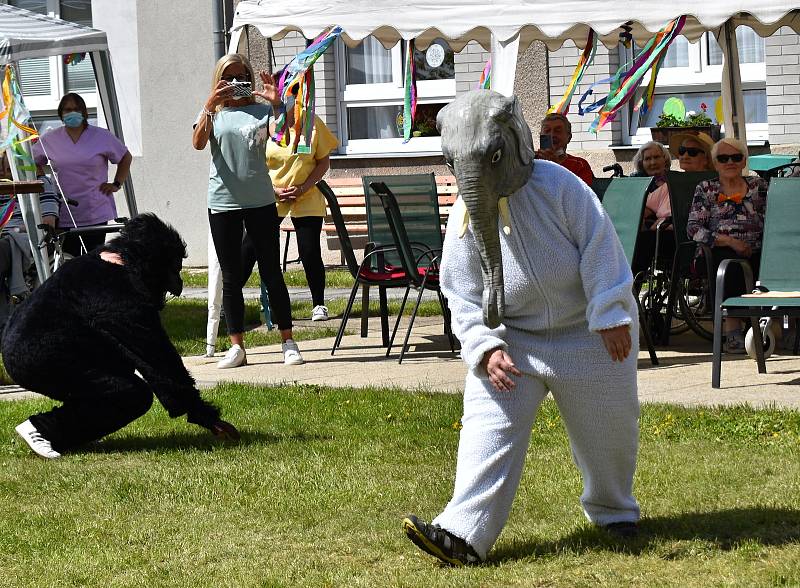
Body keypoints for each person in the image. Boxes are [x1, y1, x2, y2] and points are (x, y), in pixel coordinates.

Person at [403, 90, 639, 566]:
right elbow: (461, 289)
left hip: (589, 334)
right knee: (488, 432)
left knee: (608, 433)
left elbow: (600, 246)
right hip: (512, 340)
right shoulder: (465, 213)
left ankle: (614, 511)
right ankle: (462, 533)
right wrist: (483, 346)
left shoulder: (560, 186)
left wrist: (610, 312)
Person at [193, 53, 303, 369]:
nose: (236, 82)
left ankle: (288, 341)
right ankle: (237, 346)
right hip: (222, 202)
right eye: (228, 77)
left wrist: (278, 106)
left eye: (242, 76)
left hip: (259, 201)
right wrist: (209, 105)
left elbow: (282, 136)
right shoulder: (213, 113)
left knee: (271, 271)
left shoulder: (260, 110)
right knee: (231, 275)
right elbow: (198, 143)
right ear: (218, 81)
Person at [241, 82, 339, 322]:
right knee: (250, 246)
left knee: (309, 250)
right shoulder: (267, 125)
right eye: (285, 98)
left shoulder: (312, 123)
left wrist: (304, 187)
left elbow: (323, 163)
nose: (291, 102)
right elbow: (255, 164)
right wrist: (273, 190)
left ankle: (319, 304)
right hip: (271, 195)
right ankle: (230, 300)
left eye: (295, 97)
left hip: (305, 194)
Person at [687, 138, 767, 354]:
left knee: (773, 261)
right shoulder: (706, 188)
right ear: (715, 163)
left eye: (736, 157)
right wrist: (731, 241)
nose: (730, 162)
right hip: (717, 250)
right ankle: (732, 331)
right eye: (723, 158)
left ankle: (775, 326)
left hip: (757, 248)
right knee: (728, 261)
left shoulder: (759, 187)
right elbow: (694, 228)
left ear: (744, 161)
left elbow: (773, 219)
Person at [31, 92, 132, 257]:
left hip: (95, 209)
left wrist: (116, 184)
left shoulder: (102, 136)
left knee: (92, 259)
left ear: (84, 112)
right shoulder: (51, 139)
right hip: (64, 210)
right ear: (61, 114)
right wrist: (43, 183)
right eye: (67, 109)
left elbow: (125, 157)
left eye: (76, 109)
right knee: (68, 260)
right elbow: (31, 161)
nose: (72, 112)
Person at [631, 132, 715, 278]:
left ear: (706, 158)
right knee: (635, 241)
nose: (685, 155)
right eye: (682, 151)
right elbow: (639, 212)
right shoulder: (670, 183)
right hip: (663, 239)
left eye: (693, 152)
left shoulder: (714, 184)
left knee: (645, 243)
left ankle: (626, 290)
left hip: (692, 241)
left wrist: (672, 224)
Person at [0, 154, 60, 329]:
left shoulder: (41, 184)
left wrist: (13, 231)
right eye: (5, 169)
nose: (6, 173)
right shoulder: (3, 186)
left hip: (25, 236)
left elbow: (47, 223)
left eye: (11, 170)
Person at [535, 112, 594, 186]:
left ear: (569, 137)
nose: (552, 135)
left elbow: (581, 195)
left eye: (558, 131)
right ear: (540, 135)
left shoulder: (579, 165)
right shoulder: (529, 161)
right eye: (547, 130)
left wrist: (555, 168)